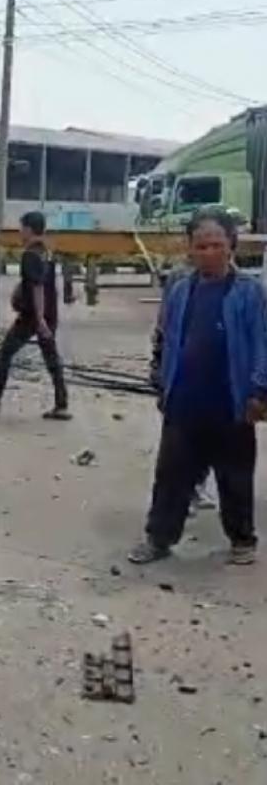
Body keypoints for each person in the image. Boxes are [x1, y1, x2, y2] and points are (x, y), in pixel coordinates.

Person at [129, 207, 267, 566]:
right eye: (200, 246)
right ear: (190, 249)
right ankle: (158, 539)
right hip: (184, 400)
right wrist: (160, 381)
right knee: (171, 476)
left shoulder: (249, 293)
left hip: (232, 402)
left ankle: (242, 540)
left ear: (231, 246)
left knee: (235, 477)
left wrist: (259, 391)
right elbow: (164, 338)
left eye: (216, 245)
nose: (208, 252)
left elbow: (262, 344)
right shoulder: (179, 290)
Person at [0, 210, 70, 419]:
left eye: (21, 227)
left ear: (28, 229)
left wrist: (40, 319)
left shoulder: (30, 255)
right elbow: (49, 284)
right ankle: (62, 405)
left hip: (33, 316)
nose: (19, 232)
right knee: (52, 359)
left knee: (5, 354)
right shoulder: (47, 252)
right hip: (48, 314)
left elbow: (37, 288)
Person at [150, 262, 218, 515]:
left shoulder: (241, 286)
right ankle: (173, 507)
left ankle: (196, 487)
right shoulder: (180, 281)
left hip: (218, 379)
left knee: (209, 442)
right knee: (178, 447)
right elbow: (163, 329)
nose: (209, 253)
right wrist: (159, 374)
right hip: (182, 376)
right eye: (201, 246)